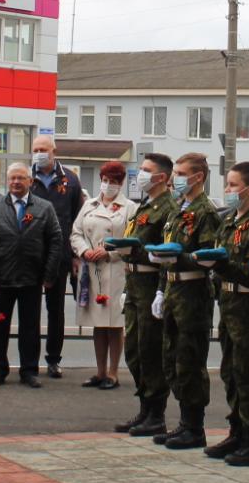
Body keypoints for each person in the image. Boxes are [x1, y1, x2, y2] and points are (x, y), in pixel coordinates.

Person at [150, 153, 221, 448]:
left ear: (197, 177)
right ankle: (183, 422)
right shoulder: (178, 207)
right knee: (172, 358)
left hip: (193, 293)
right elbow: (166, 254)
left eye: (180, 173)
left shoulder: (206, 211)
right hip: (174, 288)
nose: (174, 178)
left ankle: (195, 426)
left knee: (190, 359)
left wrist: (176, 257)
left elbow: (207, 258)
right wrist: (160, 290)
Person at [205, 161, 249, 465]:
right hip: (230, 305)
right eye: (228, 184)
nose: (228, 190)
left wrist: (221, 266)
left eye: (233, 185)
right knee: (231, 373)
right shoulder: (230, 220)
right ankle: (236, 431)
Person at [0, 162, 61, 388]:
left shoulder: (44, 208)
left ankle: (29, 371)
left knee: (30, 328)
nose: (16, 182)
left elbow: (55, 241)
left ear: (30, 182)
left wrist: (49, 274)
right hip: (0, 277)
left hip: (32, 278)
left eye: (21, 178)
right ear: (7, 180)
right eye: (12, 178)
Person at [115, 153, 176, 437]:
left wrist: (162, 291)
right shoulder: (146, 205)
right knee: (135, 351)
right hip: (135, 283)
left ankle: (156, 414)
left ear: (161, 177)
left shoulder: (168, 208)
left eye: (145, 170)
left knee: (151, 351)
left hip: (151, 283)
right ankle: (144, 409)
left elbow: (166, 255)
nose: (139, 174)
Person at [69, 160, 132, 390]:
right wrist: (84, 250)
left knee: (115, 323)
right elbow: (75, 233)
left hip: (116, 271)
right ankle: (99, 371)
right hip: (91, 270)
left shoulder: (129, 208)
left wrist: (109, 252)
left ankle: (113, 373)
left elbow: (134, 241)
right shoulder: (90, 205)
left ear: (121, 183)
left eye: (113, 181)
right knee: (98, 323)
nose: (108, 185)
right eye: (105, 180)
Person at [30, 135, 85, 379]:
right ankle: (29, 360)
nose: (39, 153)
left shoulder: (70, 180)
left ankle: (53, 359)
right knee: (30, 310)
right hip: (29, 254)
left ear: (54, 151)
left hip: (59, 253)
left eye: (43, 149)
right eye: (36, 149)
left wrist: (74, 254)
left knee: (56, 310)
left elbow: (78, 220)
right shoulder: (26, 177)